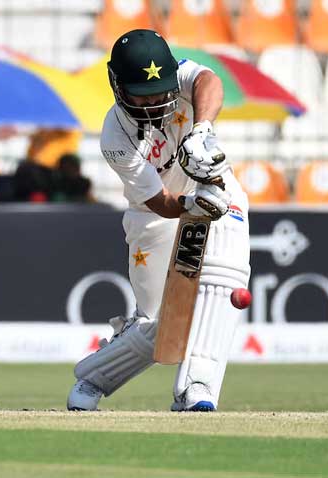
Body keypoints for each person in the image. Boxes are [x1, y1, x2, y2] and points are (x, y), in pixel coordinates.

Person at [67, 29, 250, 412]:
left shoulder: (182, 75)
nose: (153, 102)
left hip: (212, 183)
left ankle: (196, 386)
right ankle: (94, 375)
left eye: (160, 90)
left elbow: (208, 80)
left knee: (225, 274)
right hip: (155, 215)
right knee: (158, 327)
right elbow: (161, 202)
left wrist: (202, 131)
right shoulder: (115, 135)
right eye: (142, 93)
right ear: (118, 87)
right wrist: (191, 202)